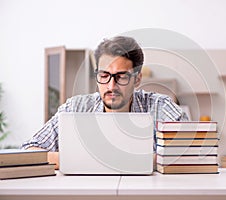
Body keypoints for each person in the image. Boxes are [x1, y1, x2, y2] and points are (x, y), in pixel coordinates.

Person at [22, 36, 188, 169]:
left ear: (137, 79)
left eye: (121, 77)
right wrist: (73, 160)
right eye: (104, 75)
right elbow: (30, 149)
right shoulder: (75, 108)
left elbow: (192, 153)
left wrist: (108, 161)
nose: (111, 86)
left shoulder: (160, 107)